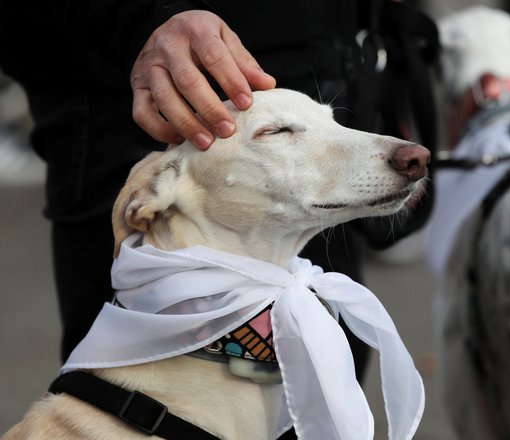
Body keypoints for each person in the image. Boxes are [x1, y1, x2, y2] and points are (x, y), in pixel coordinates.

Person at [0, 2, 436, 436]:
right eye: (279, 132)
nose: (401, 152)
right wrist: (148, 21)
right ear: (151, 197)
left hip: (309, 51)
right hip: (115, 97)